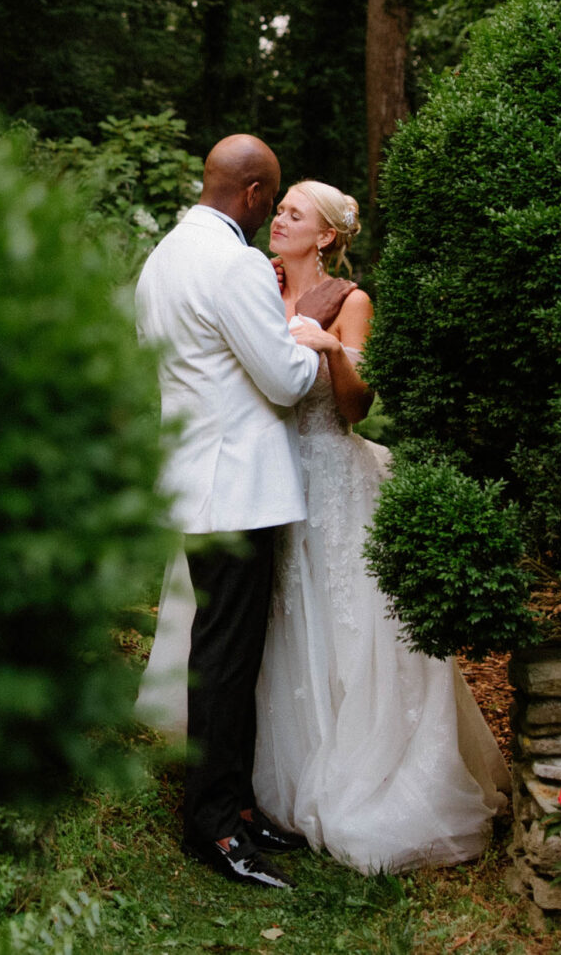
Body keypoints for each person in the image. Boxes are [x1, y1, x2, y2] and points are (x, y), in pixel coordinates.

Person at [141, 179, 510, 878]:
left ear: (329, 237)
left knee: (338, 628)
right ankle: (252, 794)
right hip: (256, 482)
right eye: (277, 209)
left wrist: (333, 351)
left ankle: (334, 778)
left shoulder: (349, 300)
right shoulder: (250, 279)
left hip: (324, 477)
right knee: (267, 633)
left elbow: (356, 409)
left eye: (294, 214)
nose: (278, 219)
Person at [132, 135, 334, 890]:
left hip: (194, 478)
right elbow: (283, 381)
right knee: (225, 658)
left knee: (225, 651)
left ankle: (236, 806)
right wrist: (313, 343)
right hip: (239, 487)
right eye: (270, 199)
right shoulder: (236, 263)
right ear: (252, 196)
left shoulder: (163, 258)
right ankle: (213, 826)